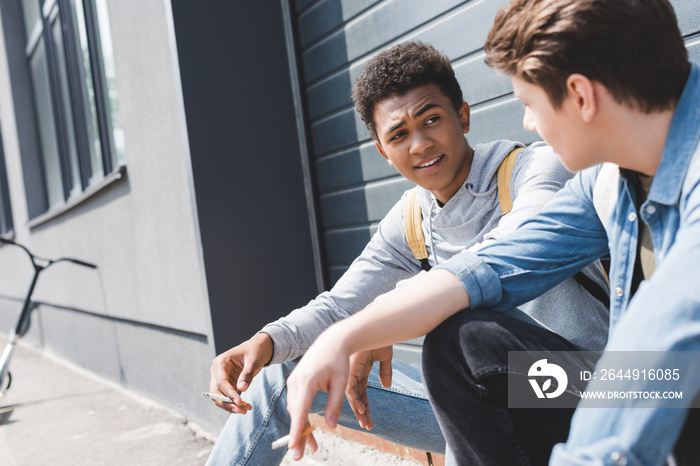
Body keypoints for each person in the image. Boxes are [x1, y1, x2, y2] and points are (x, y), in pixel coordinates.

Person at [284, 0, 700, 464]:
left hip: (664, 383)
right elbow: (490, 266)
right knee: (464, 343)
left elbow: (663, 351)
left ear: (581, 95)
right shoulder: (606, 183)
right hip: (632, 380)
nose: (527, 123)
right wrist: (346, 335)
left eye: (528, 104)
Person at [206, 41, 609, 465]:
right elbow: (339, 305)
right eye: (398, 135)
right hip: (488, 388)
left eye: (431, 120)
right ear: (383, 151)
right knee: (281, 373)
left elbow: (501, 259)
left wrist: (378, 320)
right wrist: (265, 341)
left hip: (595, 386)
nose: (419, 144)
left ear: (464, 116)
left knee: (461, 335)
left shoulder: (534, 169)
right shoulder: (413, 218)